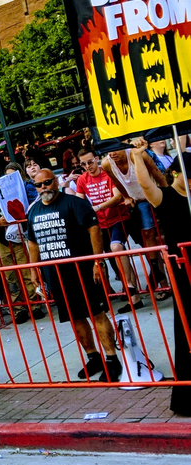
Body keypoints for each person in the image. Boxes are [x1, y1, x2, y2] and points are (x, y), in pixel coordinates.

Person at [27, 169, 122, 382]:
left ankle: (111, 359)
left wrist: (98, 261)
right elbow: (32, 242)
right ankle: (93, 357)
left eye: (47, 182)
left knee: (96, 313)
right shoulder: (33, 211)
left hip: (83, 269)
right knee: (75, 317)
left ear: (56, 182)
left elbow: (94, 230)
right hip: (57, 275)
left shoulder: (74, 203)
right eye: (38, 185)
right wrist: (34, 269)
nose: (43, 188)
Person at [131, 140, 191, 415]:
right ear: (178, 175)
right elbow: (145, 186)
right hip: (183, 273)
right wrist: (137, 155)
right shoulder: (167, 198)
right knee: (187, 330)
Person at [76, 148, 142, 313]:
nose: (87, 166)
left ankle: (132, 292)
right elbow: (78, 202)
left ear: (97, 159)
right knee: (104, 258)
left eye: (90, 162)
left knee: (116, 248)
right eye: (83, 164)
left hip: (118, 218)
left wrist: (96, 207)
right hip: (99, 224)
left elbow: (117, 196)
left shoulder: (108, 173)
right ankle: (118, 295)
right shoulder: (82, 179)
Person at [0, 163, 42, 324]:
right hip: (0, 240)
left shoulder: (12, 189)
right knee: (10, 277)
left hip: (19, 236)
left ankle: (35, 305)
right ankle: (19, 309)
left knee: (27, 271)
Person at [102, 147, 169, 295]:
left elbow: (156, 172)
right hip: (138, 200)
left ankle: (159, 272)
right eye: (108, 151)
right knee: (146, 235)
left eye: (115, 150)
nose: (112, 154)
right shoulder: (107, 163)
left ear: (123, 148)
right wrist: (126, 196)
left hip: (154, 195)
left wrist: (168, 195)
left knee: (155, 233)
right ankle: (156, 271)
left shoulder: (135, 154)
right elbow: (117, 182)